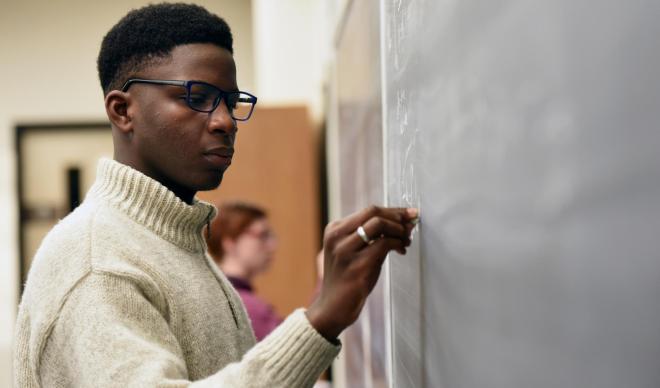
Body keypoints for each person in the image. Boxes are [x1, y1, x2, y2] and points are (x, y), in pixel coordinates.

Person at [13, 3, 418, 387]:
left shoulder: (171, 238)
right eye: (197, 97)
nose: (225, 121)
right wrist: (319, 320)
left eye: (230, 101)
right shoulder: (99, 264)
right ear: (122, 110)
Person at [206, 202, 282, 341]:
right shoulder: (245, 306)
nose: (272, 245)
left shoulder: (214, 294)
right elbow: (299, 352)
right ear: (230, 242)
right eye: (263, 235)